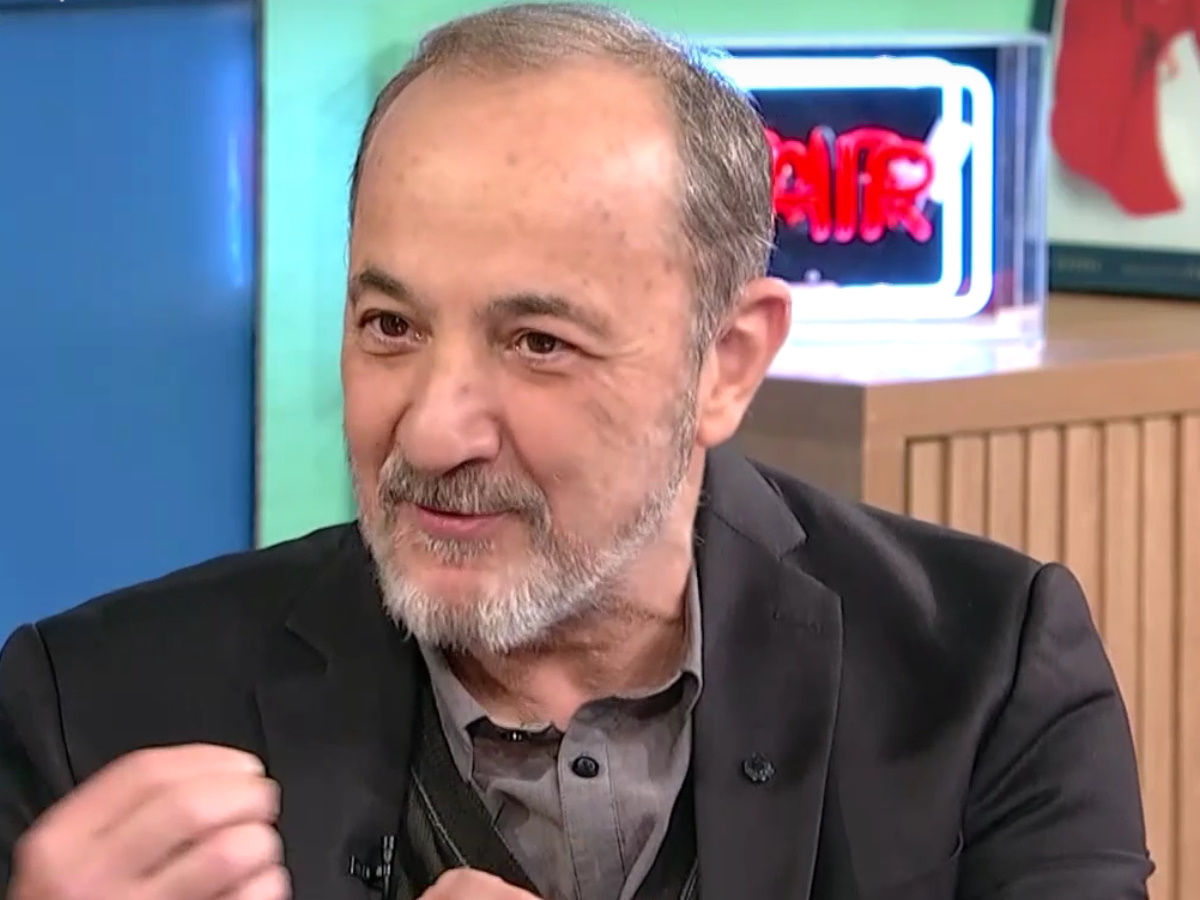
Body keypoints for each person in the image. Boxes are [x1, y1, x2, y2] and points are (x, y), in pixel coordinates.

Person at [0, 4, 1151, 899]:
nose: (433, 429)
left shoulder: (986, 678)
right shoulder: (92, 712)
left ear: (727, 362)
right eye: (390, 326)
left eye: (537, 343)